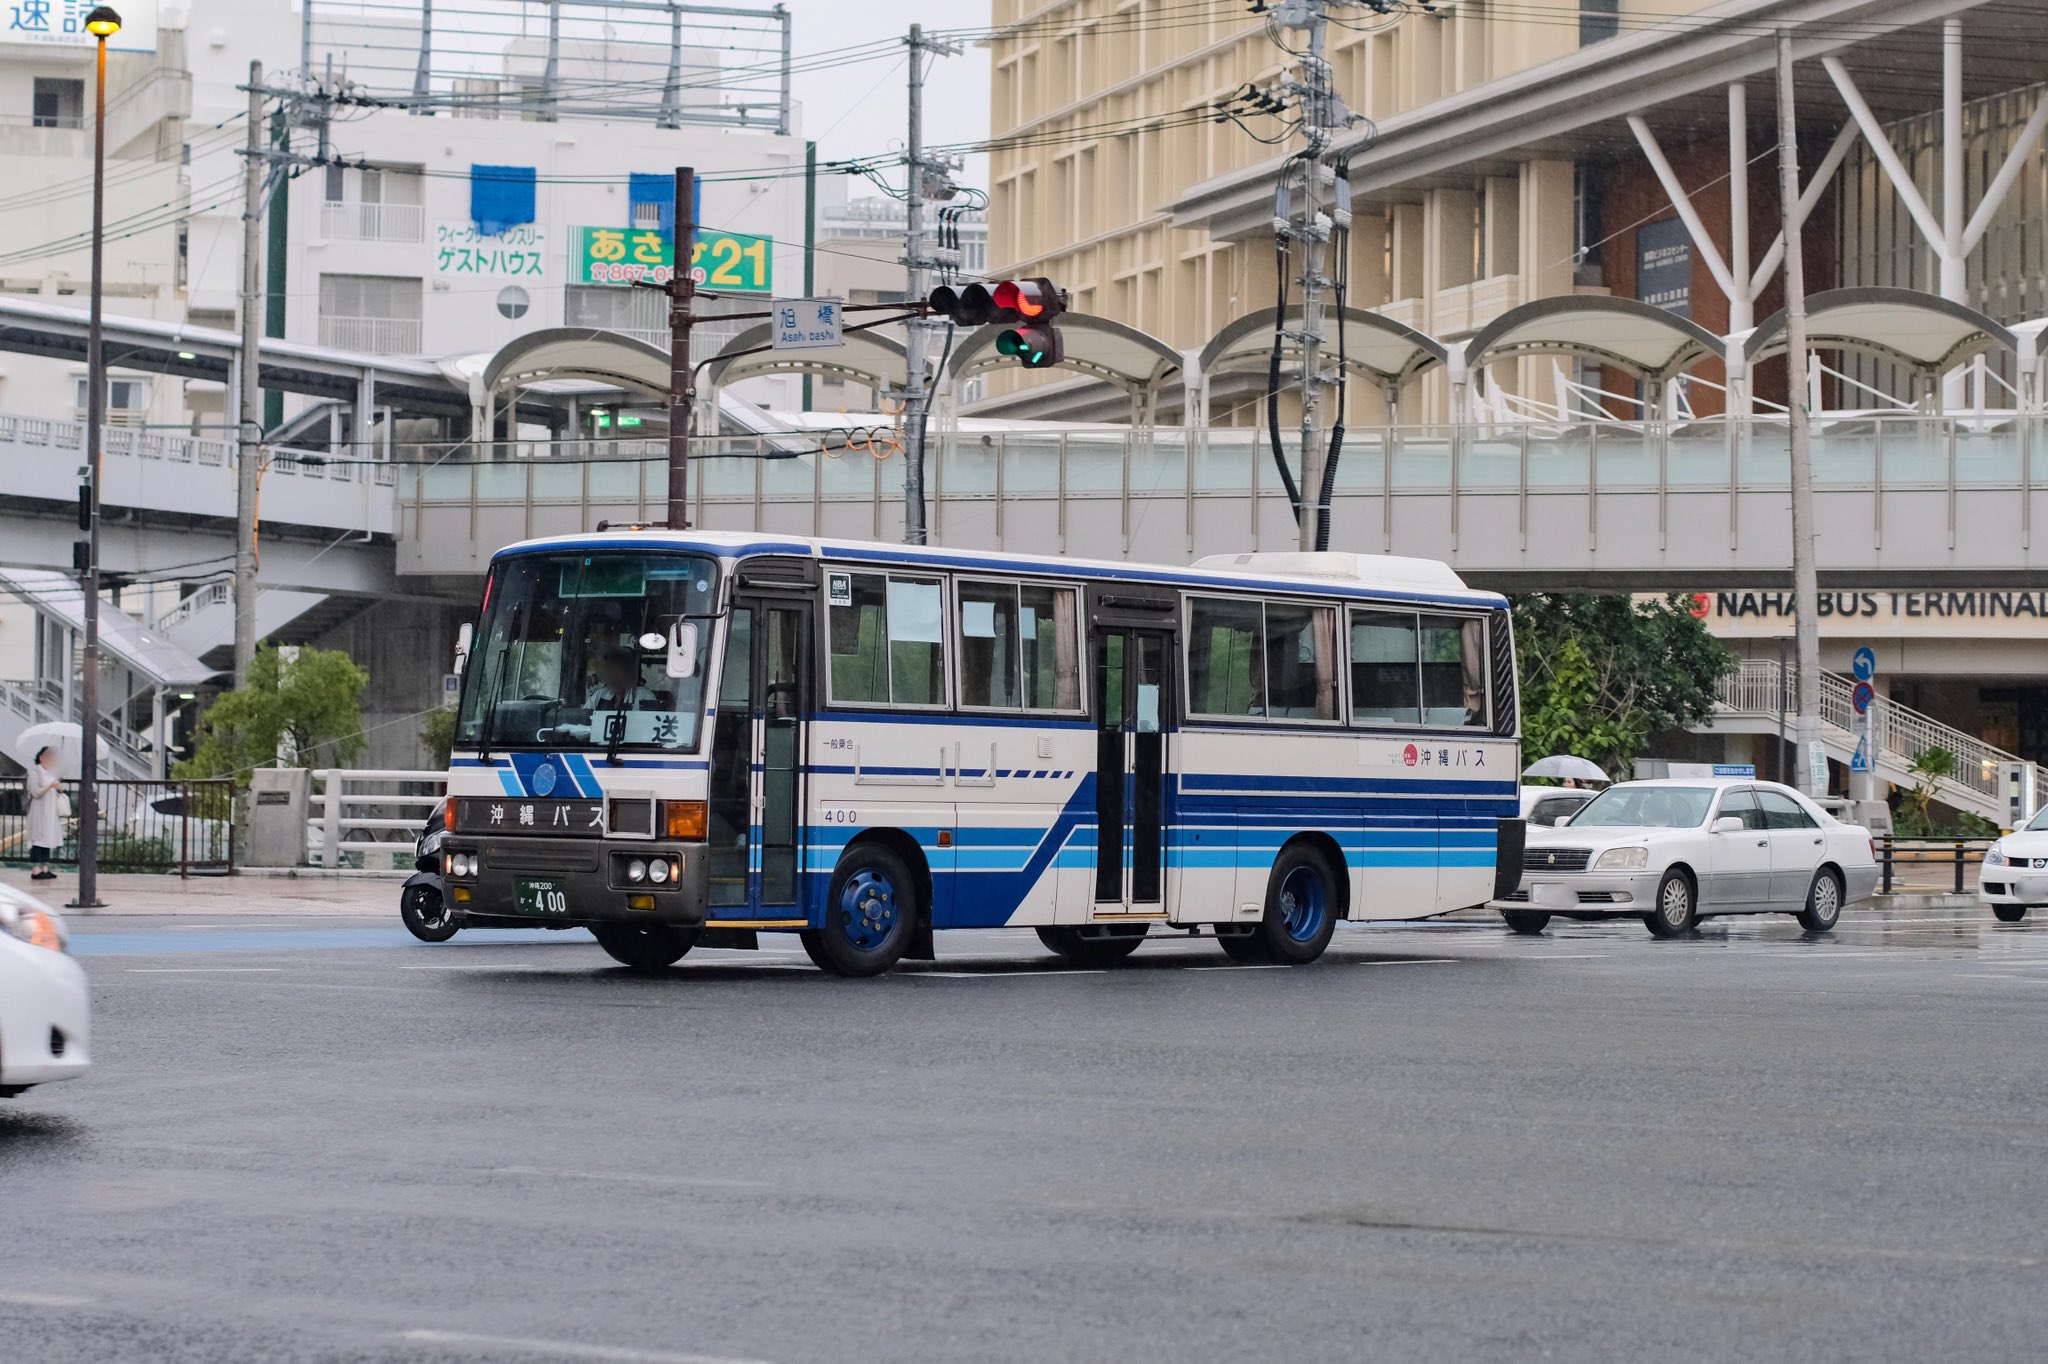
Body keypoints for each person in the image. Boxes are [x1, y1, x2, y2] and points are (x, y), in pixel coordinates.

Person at [25, 745, 65, 881]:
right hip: (39, 813)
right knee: (38, 840)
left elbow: (60, 791)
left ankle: (45, 868)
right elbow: (35, 792)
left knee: (48, 839)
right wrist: (50, 786)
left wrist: (58, 788)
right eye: (48, 757)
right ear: (41, 758)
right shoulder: (35, 773)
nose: (51, 760)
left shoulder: (53, 774)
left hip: (51, 812)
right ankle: (36, 869)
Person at [584, 647, 657, 711]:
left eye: (614, 669)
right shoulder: (600, 695)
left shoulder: (645, 696)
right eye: (608, 669)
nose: (609, 675)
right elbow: (583, 720)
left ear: (628, 672)